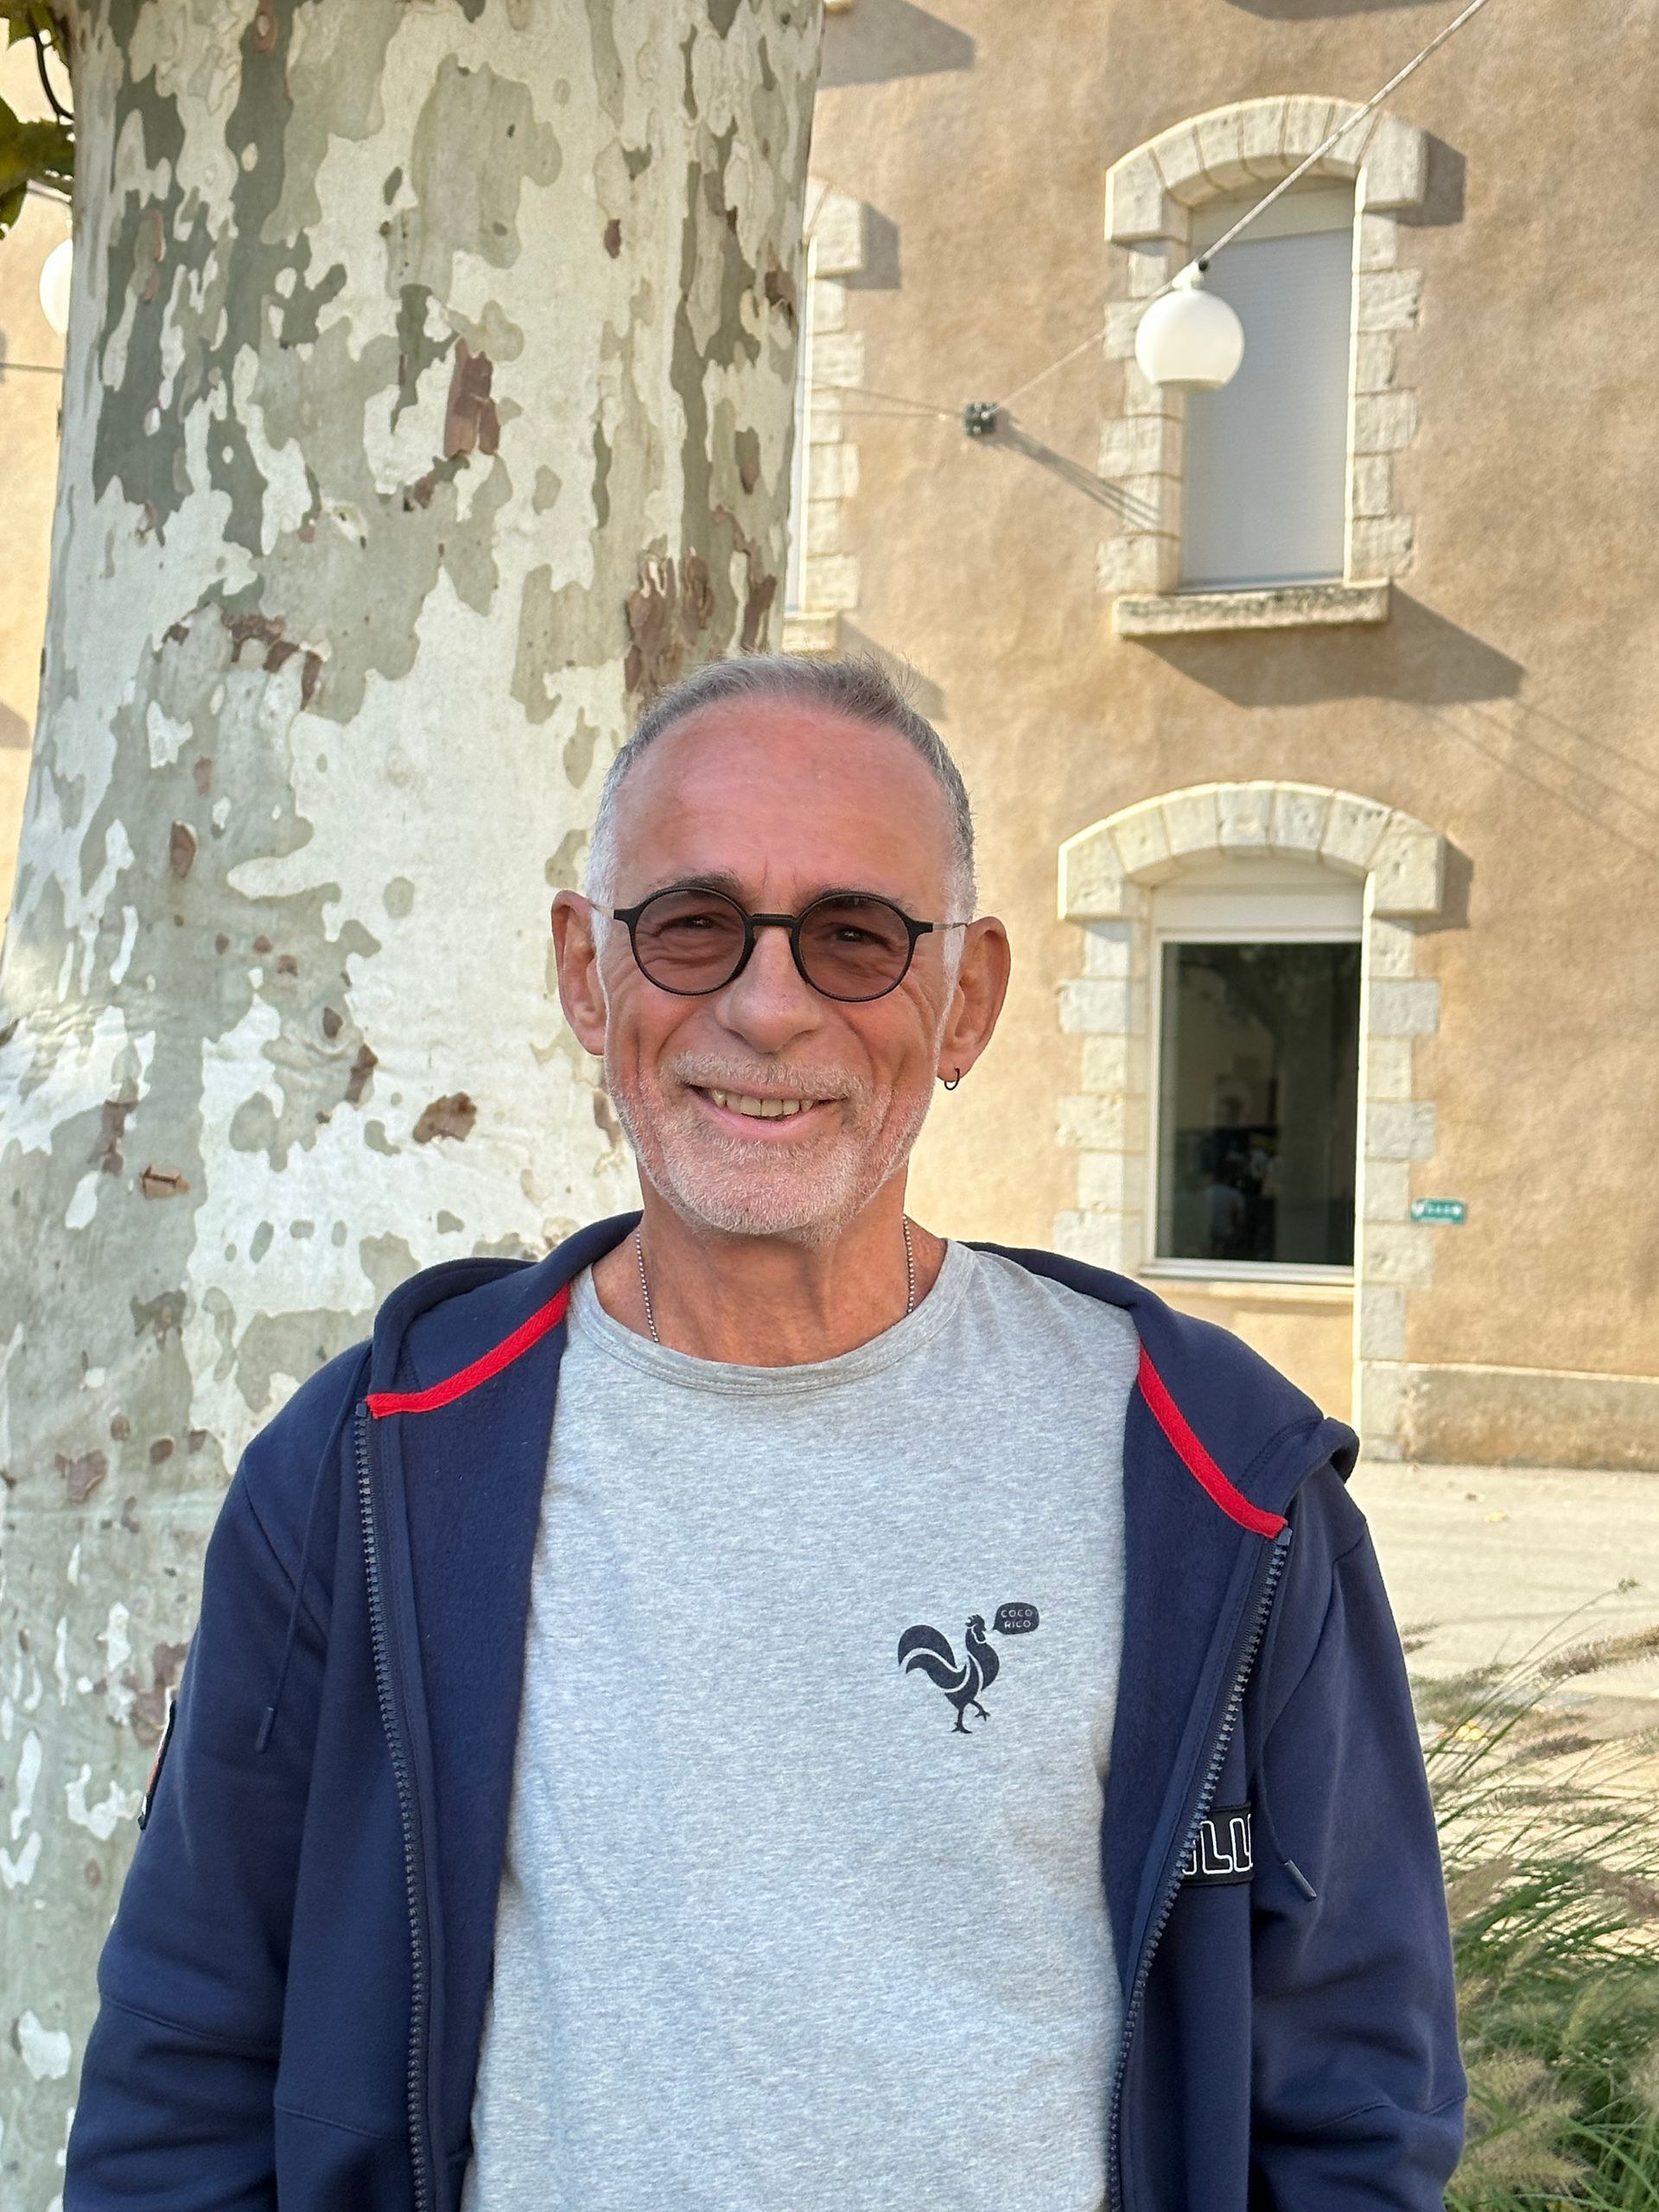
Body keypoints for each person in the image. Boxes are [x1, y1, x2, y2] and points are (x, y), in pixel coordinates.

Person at [67, 656, 1465, 2211]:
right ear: (587, 973)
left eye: (856, 936)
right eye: (693, 924)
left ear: (968, 1000)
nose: (769, 1005)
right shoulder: (373, 1468)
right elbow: (188, 2063)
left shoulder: (1211, 1475)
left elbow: (1355, 2098)